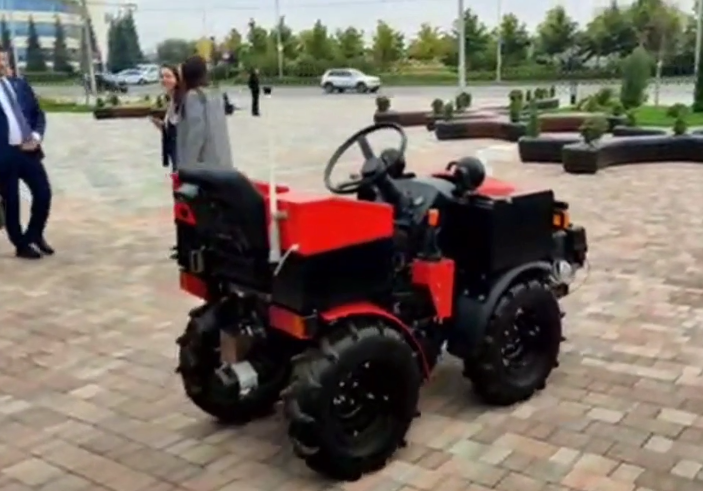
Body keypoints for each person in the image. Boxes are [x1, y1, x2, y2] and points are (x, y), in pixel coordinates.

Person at [0, 50, 52, 259]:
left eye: (4, 59)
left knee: (43, 194)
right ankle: (21, 245)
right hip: (4, 155)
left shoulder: (19, 85)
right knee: (11, 202)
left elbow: (38, 114)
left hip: (28, 150)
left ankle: (34, 234)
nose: (2, 63)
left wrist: (36, 137)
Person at [177, 55, 233, 169]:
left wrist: (188, 164)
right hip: (221, 158)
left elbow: (196, 133)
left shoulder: (194, 96)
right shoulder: (215, 93)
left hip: (204, 164)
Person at [150, 64, 181, 170]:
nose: (164, 80)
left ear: (177, 79)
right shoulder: (171, 100)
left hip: (183, 157)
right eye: (162, 76)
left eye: (168, 76)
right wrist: (162, 126)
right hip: (175, 154)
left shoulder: (182, 101)